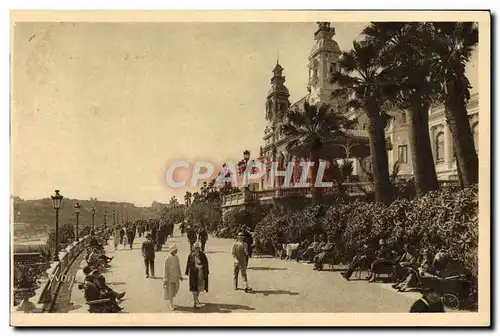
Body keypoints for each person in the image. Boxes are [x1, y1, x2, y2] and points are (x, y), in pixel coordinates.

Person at [185, 242, 209, 308]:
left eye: (198, 248)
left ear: (199, 248)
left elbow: (206, 264)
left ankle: (196, 298)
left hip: (201, 273)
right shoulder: (191, 255)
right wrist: (188, 271)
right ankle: (194, 302)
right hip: (193, 274)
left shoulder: (203, 255)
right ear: (193, 248)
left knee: (199, 287)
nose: (196, 249)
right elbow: (188, 264)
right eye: (195, 248)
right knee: (194, 288)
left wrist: (202, 267)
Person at [163, 245, 184, 310]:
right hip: (169, 278)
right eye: (175, 250)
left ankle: (171, 303)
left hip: (176, 277)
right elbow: (165, 269)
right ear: (172, 251)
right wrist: (165, 279)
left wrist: (180, 276)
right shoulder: (167, 259)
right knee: (170, 291)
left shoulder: (176, 257)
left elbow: (178, 267)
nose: (176, 251)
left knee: (175, 290)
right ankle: (171, 304)